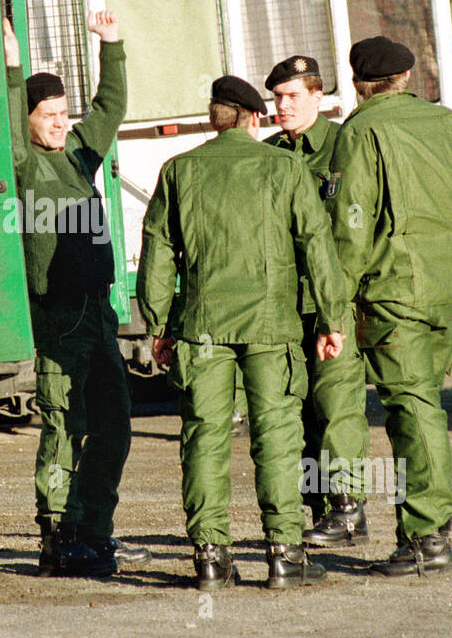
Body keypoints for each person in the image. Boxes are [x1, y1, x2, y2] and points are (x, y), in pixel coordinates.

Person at [138, 74, 349, 590]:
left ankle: (211, 558)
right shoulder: (284, 168)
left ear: (215, 118)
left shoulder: (178, 171)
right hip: (271, 327)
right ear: (254, 118)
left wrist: (158, 324)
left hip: (201, 329)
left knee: (204, 438)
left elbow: (158, 251)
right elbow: (316, 245)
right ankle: (284, 554)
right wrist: (331, 319)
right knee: (276, 437)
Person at [326, 35, 452, 576]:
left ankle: (426, 539)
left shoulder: (361, 130)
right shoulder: (447, 123)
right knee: (424, 404)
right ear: (405, 77)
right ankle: (425, 531)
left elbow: (352, 224)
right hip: (441, 288)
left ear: (358, 84)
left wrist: (335, 302)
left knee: (413, 409)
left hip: (394, 291)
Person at [3, 12, 148, 577]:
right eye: (50, 116)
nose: (61, 124)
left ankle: (95, 530)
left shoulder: (81, 155)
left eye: (66, 114)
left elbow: (110, 107)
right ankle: (59, 534)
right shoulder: (24, 164)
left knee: (114, 423)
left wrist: (112, 44)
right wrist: (14, 68)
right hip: (58, 315)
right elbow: (13, 125)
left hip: (101, 313)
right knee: (65, 424)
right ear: (32, 120)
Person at [263, 56, 371, 547]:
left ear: (318, 97)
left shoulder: (345, 147)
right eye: (277, 97)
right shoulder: (265, 157)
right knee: (298, 411)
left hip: (332, 304)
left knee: (337, 405)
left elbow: (357, 230)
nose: (282, 106)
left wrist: (344, 301)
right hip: (281, 308)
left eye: (292, 96)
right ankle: (318, 509)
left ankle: (348, 509)